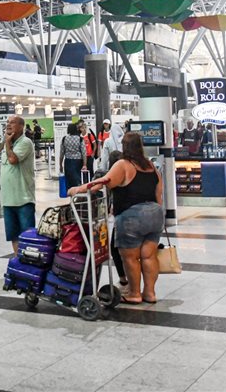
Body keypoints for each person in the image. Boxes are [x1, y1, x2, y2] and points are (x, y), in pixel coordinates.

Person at [70, 131, 163, 305]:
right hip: (155, 214)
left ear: (124, 146)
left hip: (132, 217)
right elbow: (159, 195)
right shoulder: (151, 166)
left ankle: (135, 293)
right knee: (149, 256)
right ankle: (150, 293)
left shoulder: (123, 164)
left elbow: (104, 181)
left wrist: (78, 189)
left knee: (130, 257)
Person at [0, 116, 36, 255]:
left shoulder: (26, 142)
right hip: (8, 200)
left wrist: (7, 143)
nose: (8, 125)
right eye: (7, 122)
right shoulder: (8, 143)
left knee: (28, 236)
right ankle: (19, 261)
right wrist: (7, 143)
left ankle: (29, 264)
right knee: (14, 236)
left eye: (12, 123)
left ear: (21, 126)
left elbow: (13, 159)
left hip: (23, 199)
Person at [60, 122, 85, 191]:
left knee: (69, 180)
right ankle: (78, 196)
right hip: (78, 162)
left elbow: (62, 153)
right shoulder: (80, 139)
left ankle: (71, 198)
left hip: (68, 161)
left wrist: (60, 165)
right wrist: (84, 164)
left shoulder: (64, 139)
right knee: (77, 179)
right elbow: (84, 153)